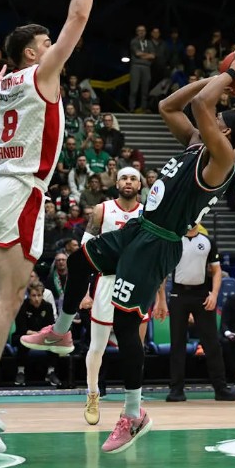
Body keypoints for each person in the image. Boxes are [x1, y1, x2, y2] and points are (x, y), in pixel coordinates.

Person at [20, 49, 235, 453]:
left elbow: (202, 105)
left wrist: (229, 77)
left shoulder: (222, 160)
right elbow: (168, 105)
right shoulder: (196, 143)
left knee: (124, 325)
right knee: (80, 261)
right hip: (139, 229)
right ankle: (61, 333)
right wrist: (220, 76)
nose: (212, 117)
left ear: (227, 133)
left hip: (158, 243)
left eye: (219, 118)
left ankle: (133, 414)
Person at [0, 0, 94, 454]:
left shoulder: (5, 85)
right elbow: (79, 15)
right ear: (33, 54)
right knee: (10, 297)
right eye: (47, 43)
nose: (54, 47)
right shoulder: (39, 74)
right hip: (19, 189)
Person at [78, 167, 146, 425]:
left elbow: (154, 255)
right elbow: (85, 250)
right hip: (106, 280)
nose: (128, 182)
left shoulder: (147, 213)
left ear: (139, 185)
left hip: (136, 283)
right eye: (124, 178)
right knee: (97, 347)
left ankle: (132, 404)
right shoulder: (101, 210)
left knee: (134, 349)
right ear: (116, 183)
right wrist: (84, 291)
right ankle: (92, 393)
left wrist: (159, 294)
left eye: (133, 178)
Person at [166, 225, 235, 403]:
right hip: (178, 294)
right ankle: (176, 390)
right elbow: (162, 270)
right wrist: (160, 299)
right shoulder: (174, 240)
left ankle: (221, 389)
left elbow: (216, 270)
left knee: (212, 343)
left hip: (202, 294)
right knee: (177, 343)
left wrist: (214, 294)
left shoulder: (207, 241)